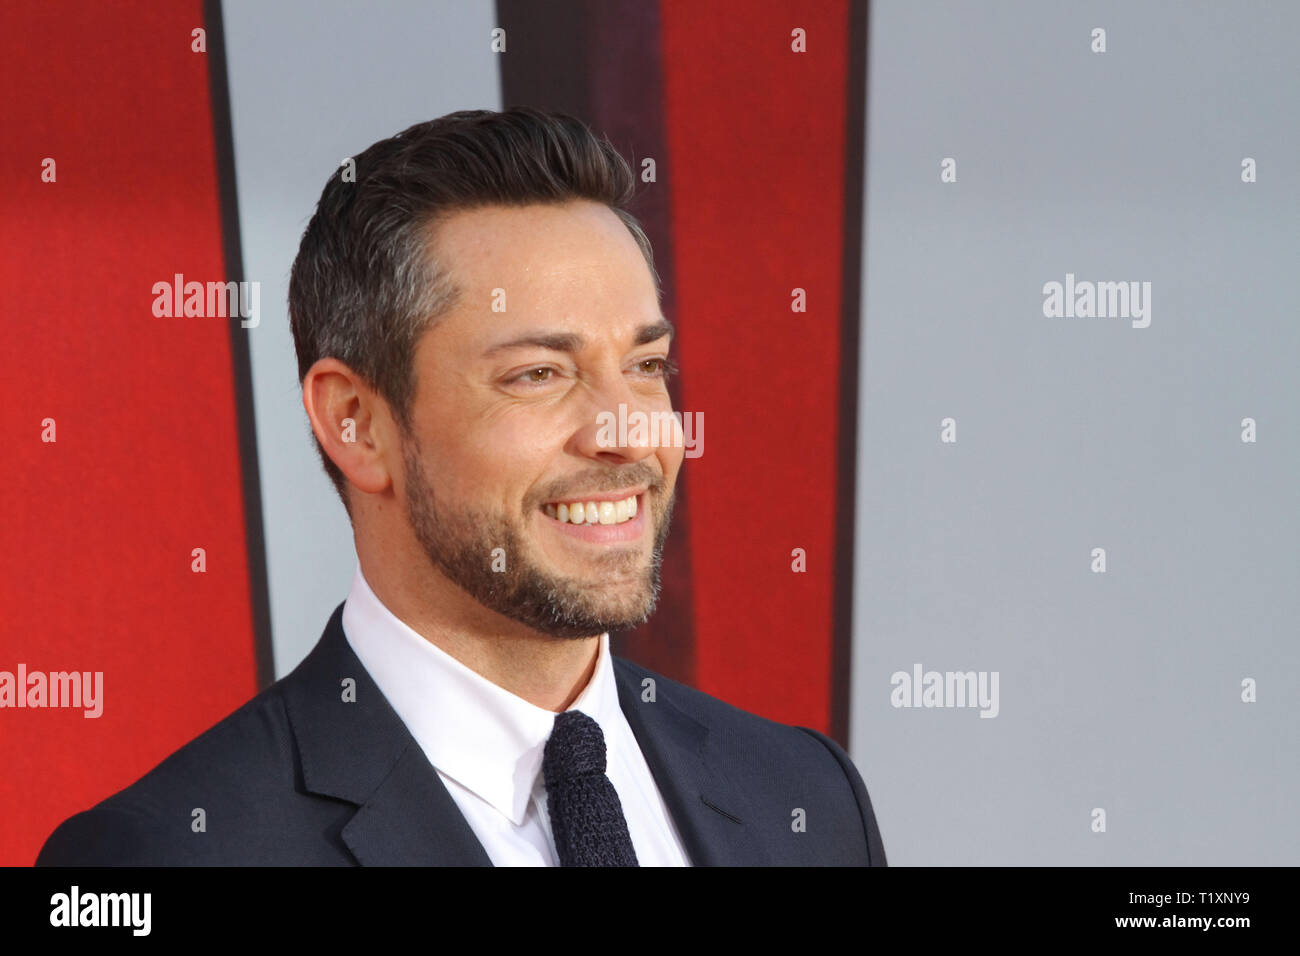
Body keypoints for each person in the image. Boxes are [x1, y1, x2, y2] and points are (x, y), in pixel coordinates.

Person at [36, 107, 886, 866]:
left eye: (646, 366)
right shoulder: (167, 853)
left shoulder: (805, 796)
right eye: (539, 374)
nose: (626, 430)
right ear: (356, 422)